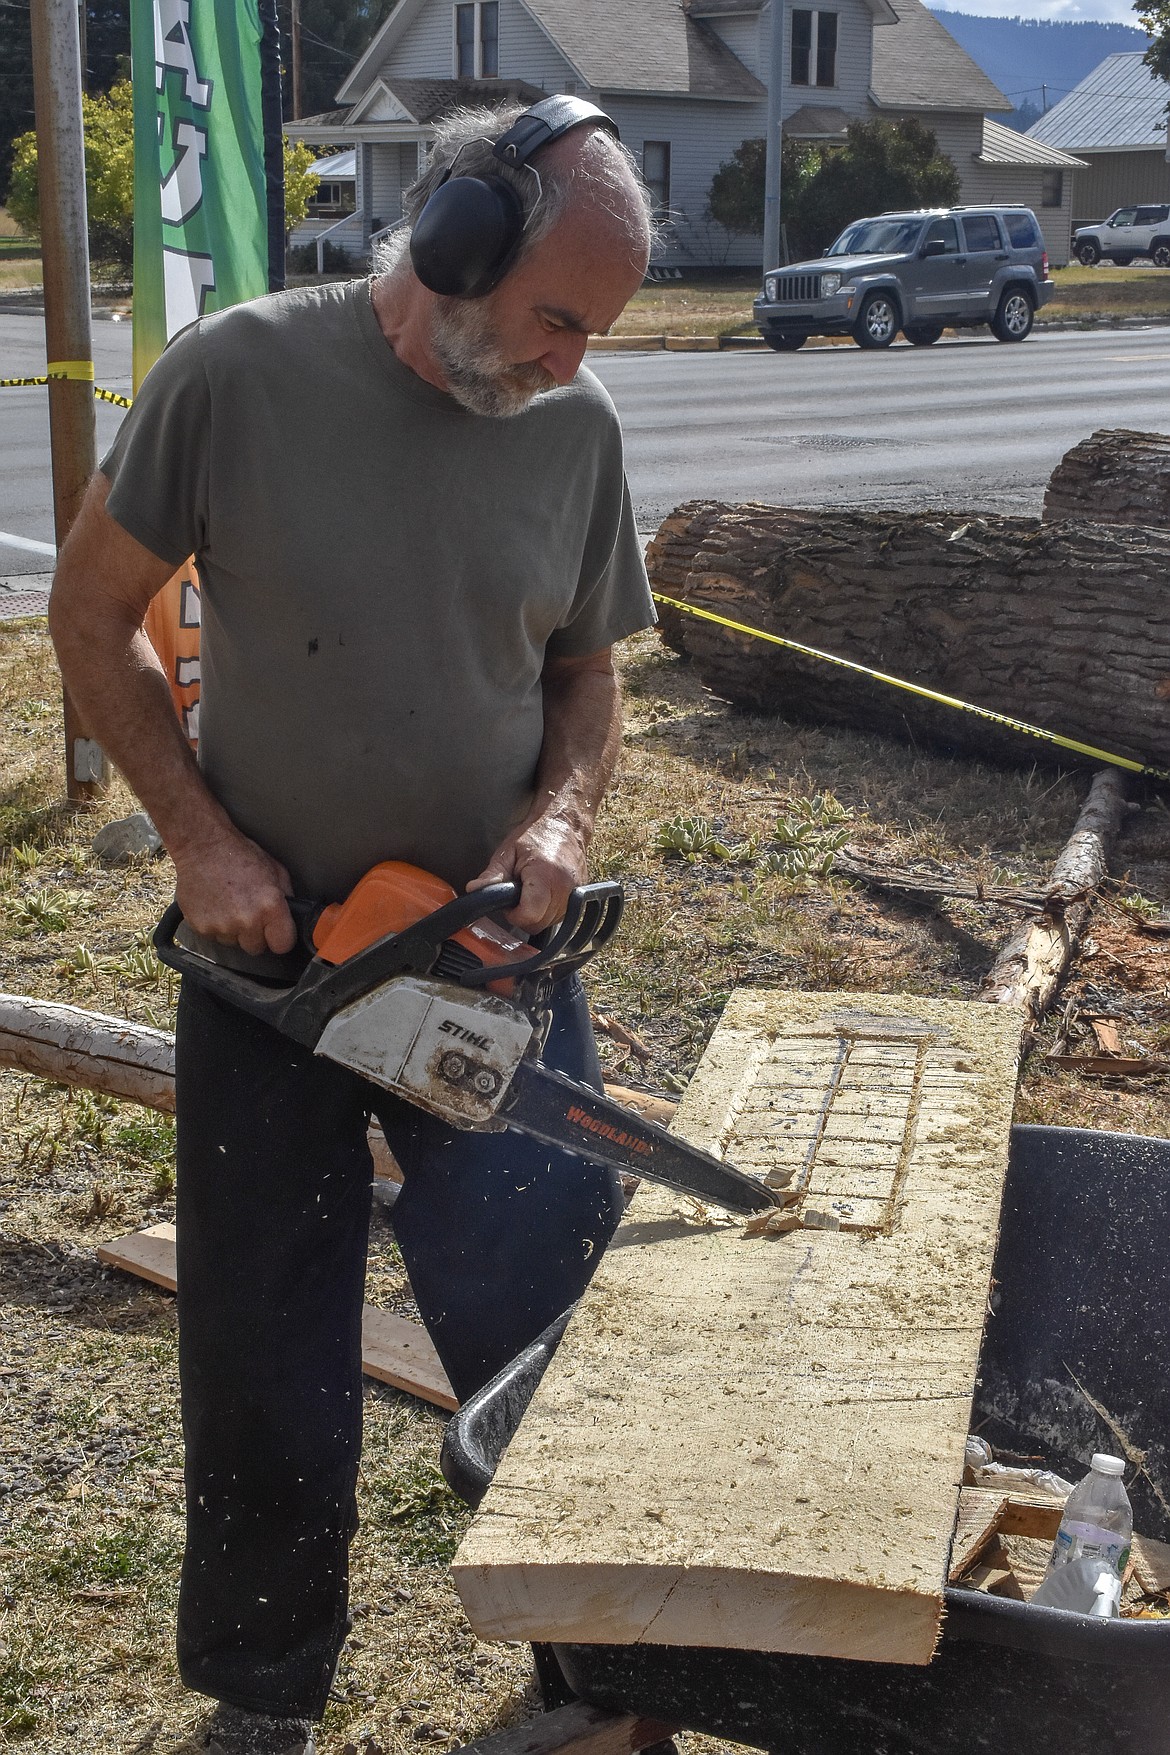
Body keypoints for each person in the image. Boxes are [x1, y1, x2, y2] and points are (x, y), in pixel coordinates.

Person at [49, 101, 656, 1755]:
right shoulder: (237, 377)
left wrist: (559, 820)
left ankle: (609, 1677)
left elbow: (586, 672)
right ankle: (260, 1698)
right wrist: (198, 839)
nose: (566, 359)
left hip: (476, 958)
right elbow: (90, 614)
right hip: (270, 969)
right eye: (552, 316)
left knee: (547, 1330)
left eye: (590, 334)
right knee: (262, 1347)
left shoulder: (573, 433)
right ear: (459, 237)